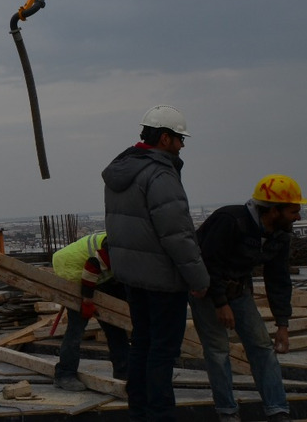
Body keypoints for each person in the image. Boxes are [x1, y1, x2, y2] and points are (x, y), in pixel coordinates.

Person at [103, 105, 209, 422]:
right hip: (163, 280)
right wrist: (199, 278)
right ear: (164, 138)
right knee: (162, 351)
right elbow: (177, 234)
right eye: (179, 138)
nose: (182, 145)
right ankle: (160, 415)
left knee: (141, 344)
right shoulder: (160, 174)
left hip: (132, 278)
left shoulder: (122, 171)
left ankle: (139, 412)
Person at [190, 175, 307, 422]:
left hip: (239, 290)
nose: (298, 217)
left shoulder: (280, 233)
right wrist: (221, 304)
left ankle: (277, 410)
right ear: (274, 210)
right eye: (294, 211)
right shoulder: (230, 221)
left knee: (262, 348)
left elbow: (278, 278)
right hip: (207, 292)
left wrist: (283, 324)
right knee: (218, 351)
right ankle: (227, 413)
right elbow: (209, 263)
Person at [50, 232, 129, 390]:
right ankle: (64, 374)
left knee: (115, 328)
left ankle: (124, 374)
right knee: (76, 328)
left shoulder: (134, 248)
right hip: (72, 268)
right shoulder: (118, 246)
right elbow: (92, 266)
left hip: (97, 274)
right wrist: (87, 301)